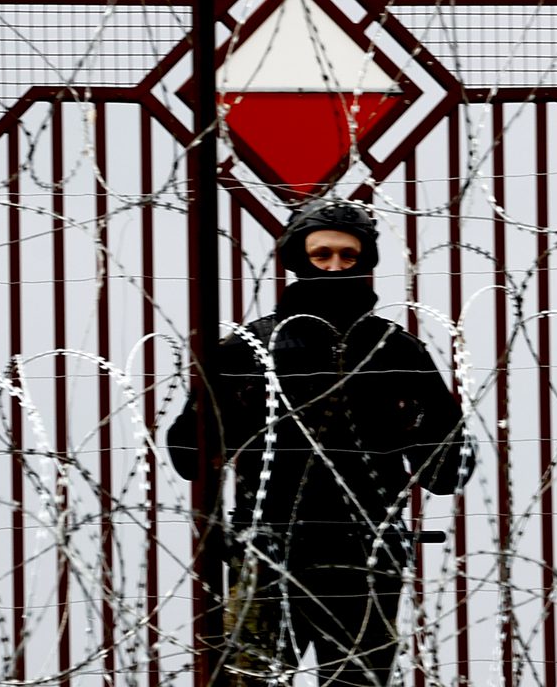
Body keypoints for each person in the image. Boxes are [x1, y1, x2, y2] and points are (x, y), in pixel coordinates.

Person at [167, 197, 473, 686]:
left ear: (365, 262)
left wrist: (408, 425)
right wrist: (250, 399)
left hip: (364, 559)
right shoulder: (249, 349)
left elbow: (448, 469)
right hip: (268, 552)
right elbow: (188, 453)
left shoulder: (393, 349)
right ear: (297, 258)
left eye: (347, 256)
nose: (334, 266)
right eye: (322, 254)